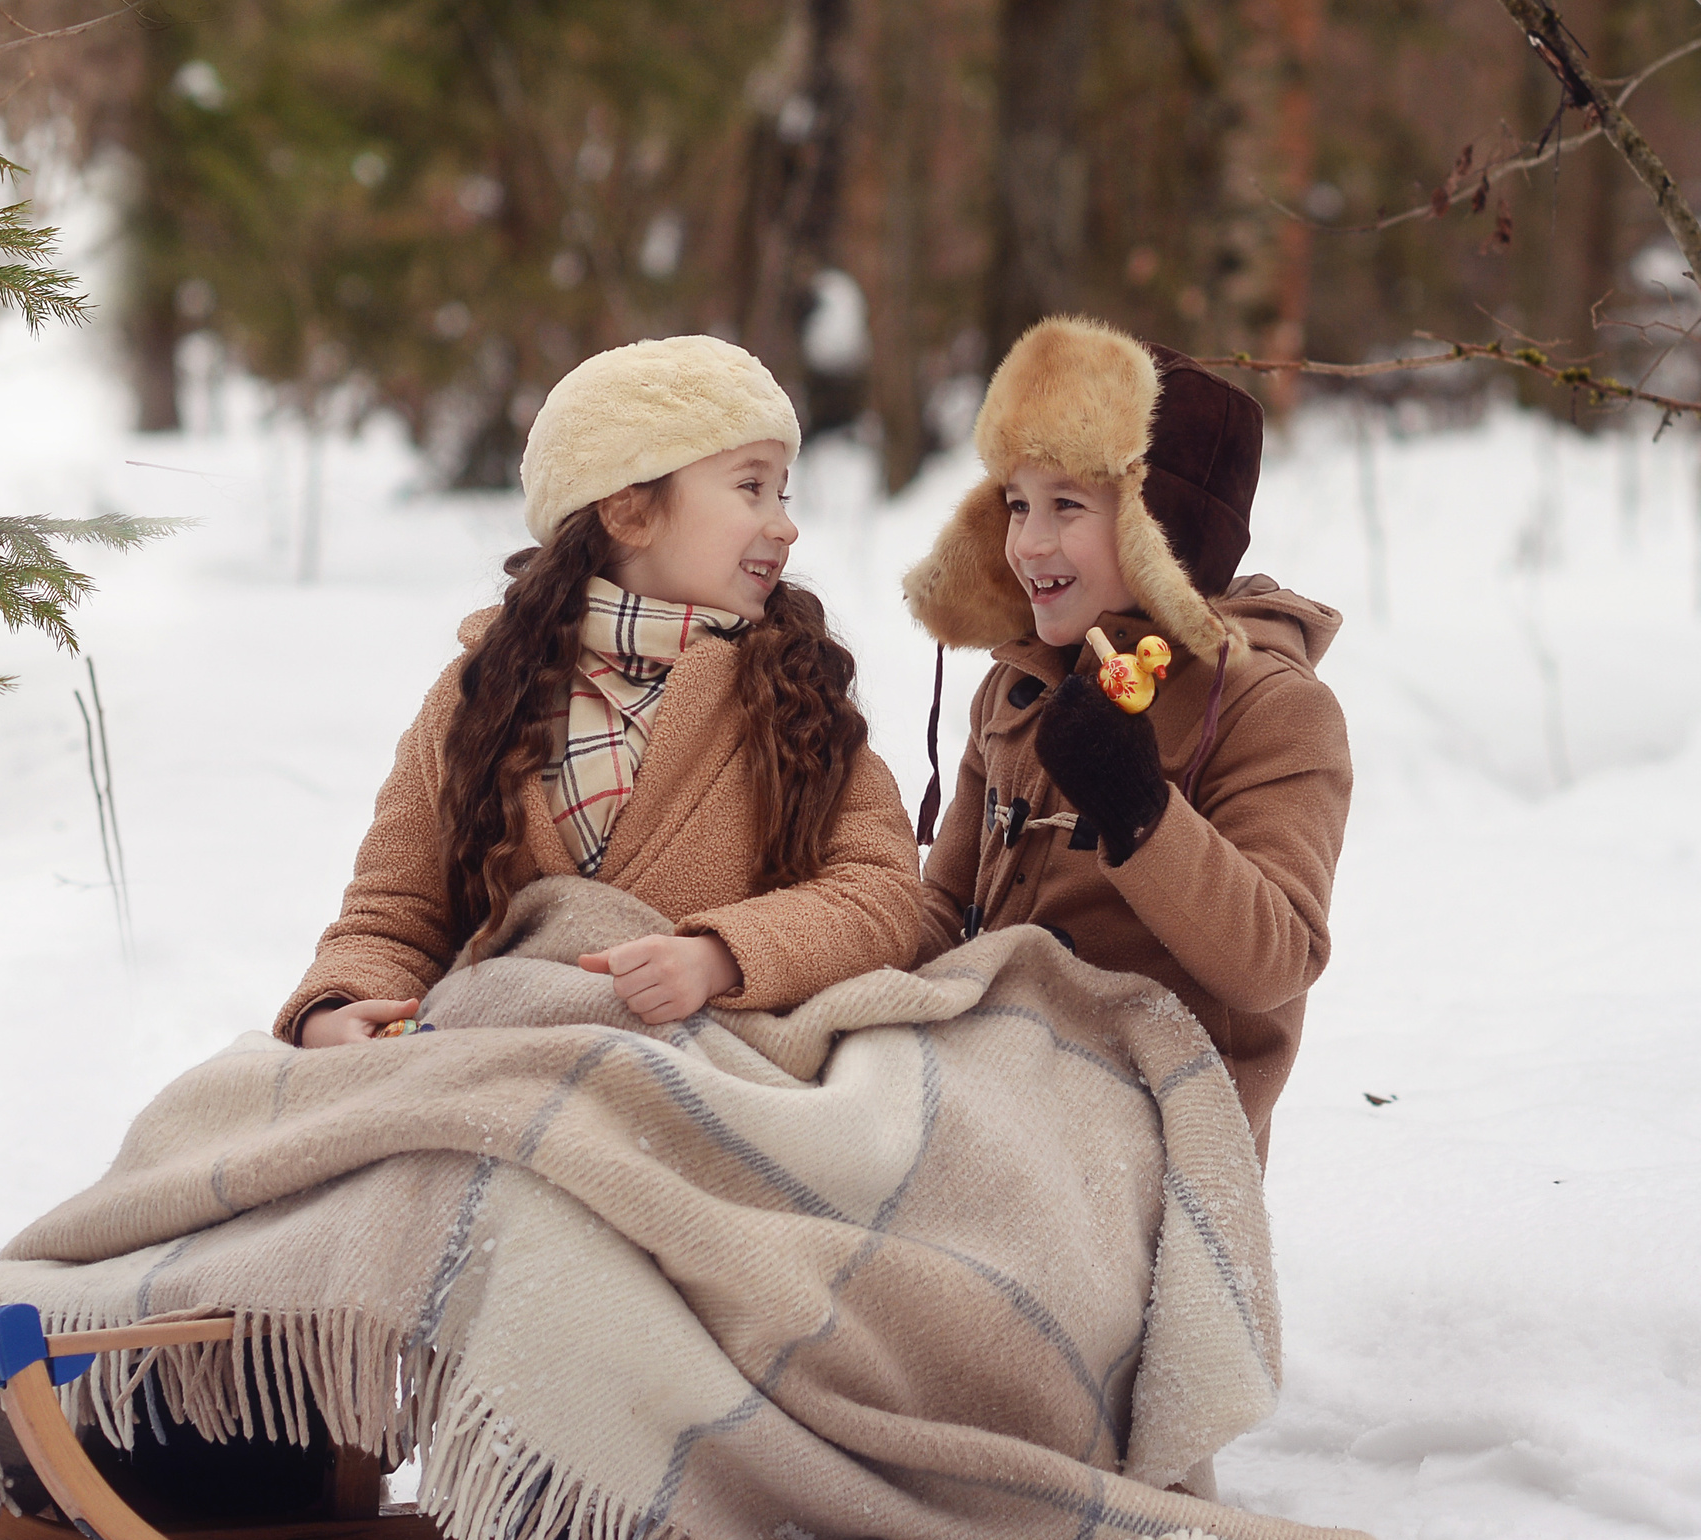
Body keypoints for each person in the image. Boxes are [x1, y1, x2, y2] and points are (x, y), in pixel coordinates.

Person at [275, 335, 926, 1056]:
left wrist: (721, 957)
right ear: (628, 512)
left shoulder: (795, 693)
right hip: (509, 1063)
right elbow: (397, 911)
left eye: (783, 492)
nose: (785, 524)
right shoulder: (480, 700)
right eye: (751, 487)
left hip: (714, 1067)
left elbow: (882, 892)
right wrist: (339, 1007)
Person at [902, 314, 1351, 1159]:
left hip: (1158, 1131)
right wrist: (817, 941)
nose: (1030, 543)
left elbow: (1277, 958)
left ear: (1162, 532)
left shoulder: (1274, 708)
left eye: (1067, 505)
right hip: (987, 1075)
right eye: (1016, 504)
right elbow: (938, 908)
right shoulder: (1019, 681)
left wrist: (1139, 807)